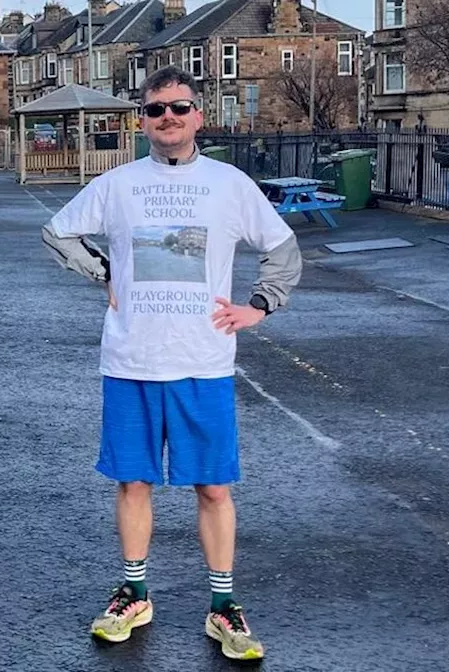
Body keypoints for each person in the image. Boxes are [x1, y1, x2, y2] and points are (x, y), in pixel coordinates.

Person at [42, 65, 303, 661]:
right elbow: (58, 233)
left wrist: (259, 305)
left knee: (212, 487)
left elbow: (283, 248)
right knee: (133, 480)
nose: (168, 118)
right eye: (157, 109)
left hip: (203, 360)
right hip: (131, 357)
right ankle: (133, 591)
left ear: (199, 116)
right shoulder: (118, 184)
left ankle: (223, 605)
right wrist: (103, 272)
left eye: (179, 108)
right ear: (142, 120)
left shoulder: (230, 184)